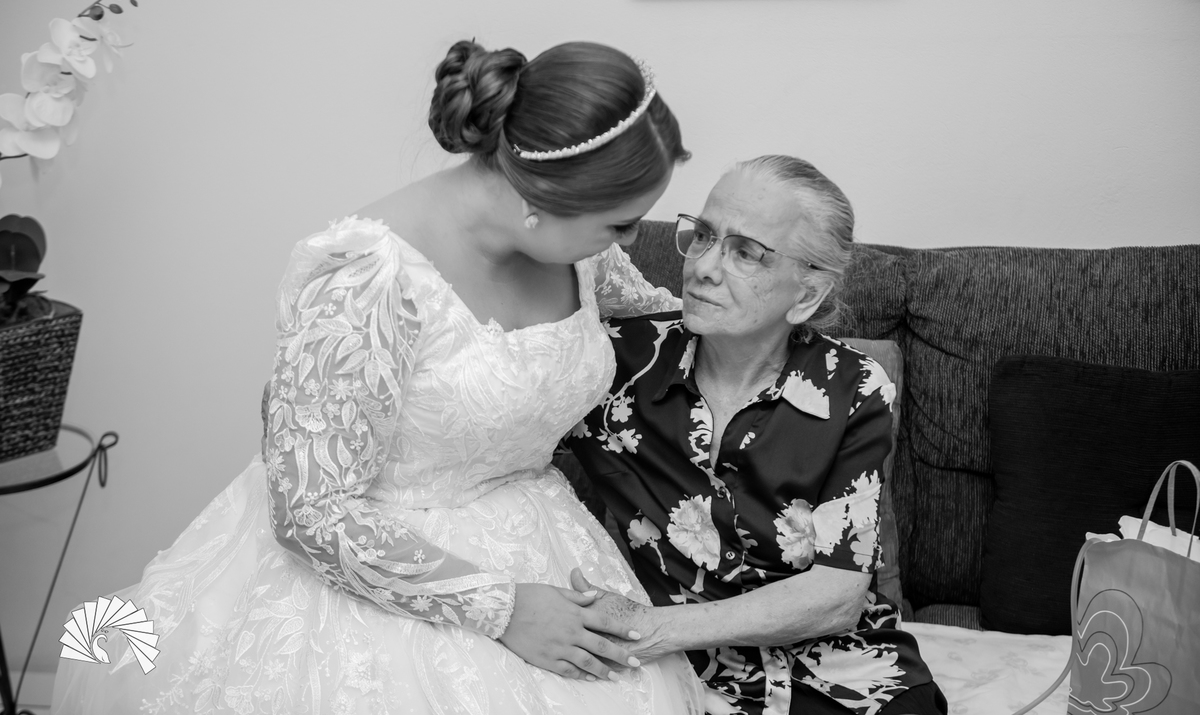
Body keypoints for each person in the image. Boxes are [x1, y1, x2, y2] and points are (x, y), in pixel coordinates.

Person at [51, 40, 705, 714]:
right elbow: (309, 512)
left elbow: (659, 320)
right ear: (544, 197)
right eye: (621, 223)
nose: (632, 241)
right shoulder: (368, 276)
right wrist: (503, 608)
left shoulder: (581, 251)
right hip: (374, 564)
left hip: (540, 534)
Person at [562, 155, 947, 715]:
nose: (703, 268)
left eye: (746, 253)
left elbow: (838, 593)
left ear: (806, 295)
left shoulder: (855, 387)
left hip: (844, 669)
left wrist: (654, 628)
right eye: (703, 236)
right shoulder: (619, 363)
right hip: (689, 673)